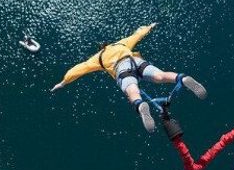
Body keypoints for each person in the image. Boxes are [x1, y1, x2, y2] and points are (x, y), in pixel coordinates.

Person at [50, 23, 207, 132]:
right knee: (160, 76)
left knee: (132, 90)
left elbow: (79, 69)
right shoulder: (121, 44)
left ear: (100, 49)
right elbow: (137, 35)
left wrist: (63, 82)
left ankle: (140, 105)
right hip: (135, 61)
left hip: (121, 68)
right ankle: (181, 78)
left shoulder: (97, 58)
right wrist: (150, 27)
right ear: (108, 44)